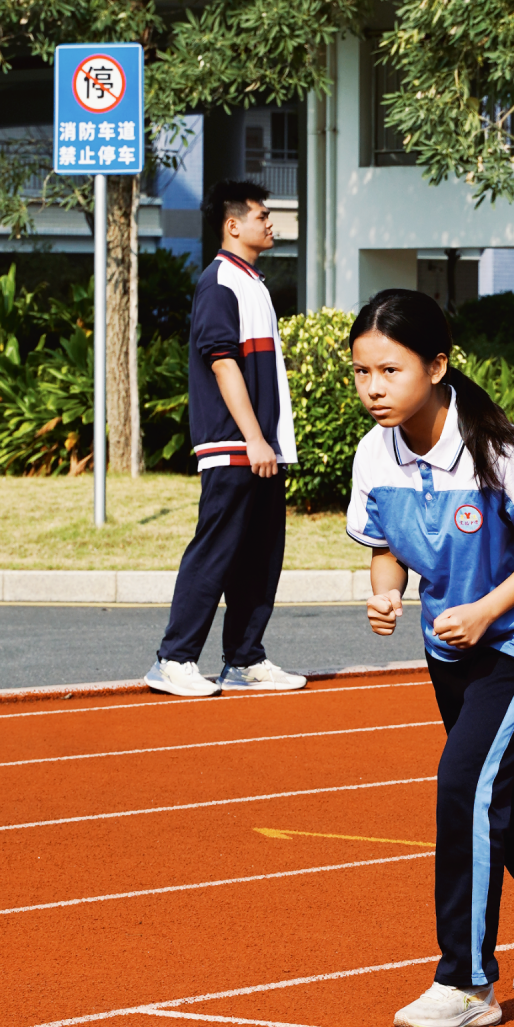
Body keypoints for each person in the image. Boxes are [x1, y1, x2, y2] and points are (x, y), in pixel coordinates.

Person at [346, 289, 514, 1027]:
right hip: (446, 647)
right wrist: (386, 595)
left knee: (465, 784)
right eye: (362, 373)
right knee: (506, 786)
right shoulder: (375, 451)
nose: (373, 388)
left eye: (389, 371)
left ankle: (464, 981)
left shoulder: (497, 449)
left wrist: (489, 610)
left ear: (437, 366)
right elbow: (385, 544)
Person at [145, 180, 306, 698]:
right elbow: (222, 362)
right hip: (235, 446)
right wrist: (254, 438)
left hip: (262, 448)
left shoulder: (252, 281)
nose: (270, 223)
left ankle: (244, 659)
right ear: (233, 225)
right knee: (214, 552)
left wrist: (269, 444)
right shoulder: (220, 282)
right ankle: (173, 659)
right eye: (262, 215)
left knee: (260, 555)